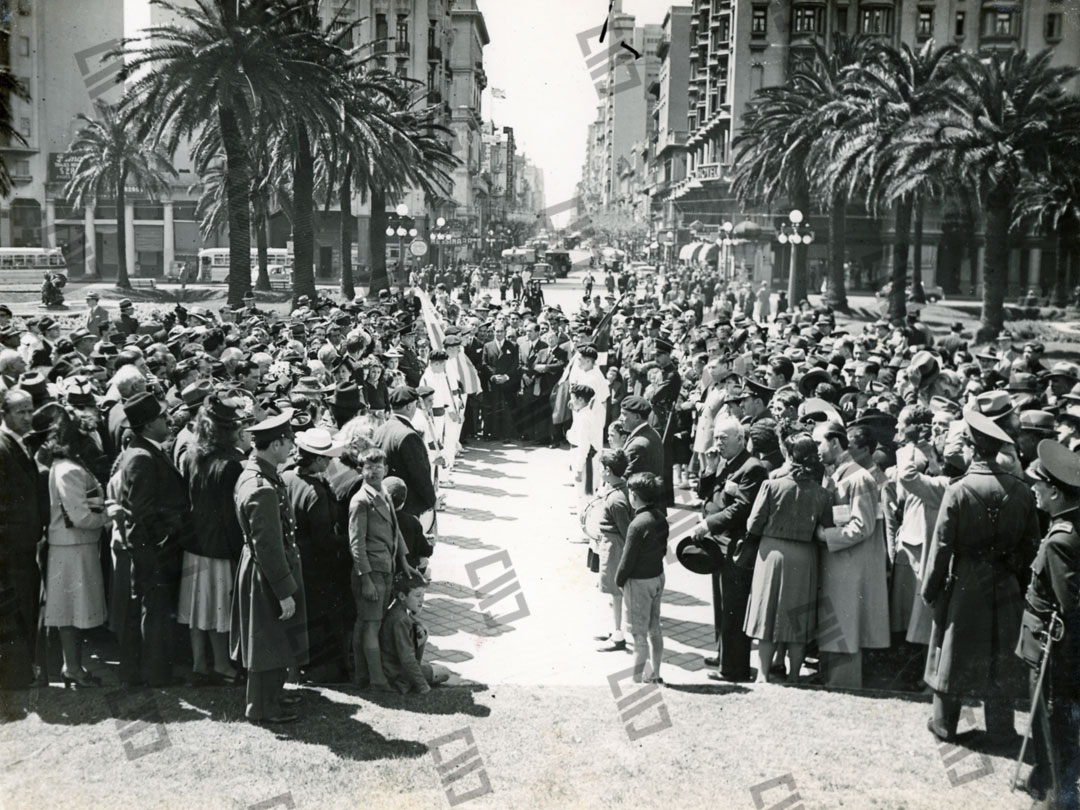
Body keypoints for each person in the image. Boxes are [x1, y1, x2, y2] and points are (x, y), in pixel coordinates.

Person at [922, 411, 1041, 743]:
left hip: (964, 579)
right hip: (1005, 581)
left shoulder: (958, 489)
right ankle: (1001, 729)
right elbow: (1032, 544)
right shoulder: (1021, 490)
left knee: (953, 649)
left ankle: (944, 725)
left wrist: (931, 589)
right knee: (1000, 653)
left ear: (971, 448)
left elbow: (942, 546)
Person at [230, 410, 308, 725]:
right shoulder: (261, 485)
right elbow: (269, 546)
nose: (292, 446)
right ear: (276, 444)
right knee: (267, 641)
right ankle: (261, 707)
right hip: (267, 571)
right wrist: (284, 590)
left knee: (274, 637)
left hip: (263, 567)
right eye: (289, 440)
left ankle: (272, 697)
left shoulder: (257, 473)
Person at [111, 391, 190, 687]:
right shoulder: (142, 455)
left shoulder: (144, 449)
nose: (167, 421)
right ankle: (155, 674)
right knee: (153, 610)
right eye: (160, 417)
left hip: (150, 548)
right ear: (146, 425)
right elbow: (140, 512)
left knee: (150, 608)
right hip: (151, 550)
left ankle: (146, 671)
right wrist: (162, 537)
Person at [743, 432, 833, 683]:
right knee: (798, 620)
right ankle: (794, 675)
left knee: (767, 615)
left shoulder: (771, 486)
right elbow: (825, 527)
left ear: (790, 455)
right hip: (804, 556)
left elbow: (753, 524)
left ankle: (762, 675)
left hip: (772, 553)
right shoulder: (821, 494)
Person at [1019, 439, 1080, 809]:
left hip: (1052, 646)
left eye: (1038, 485)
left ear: (1055, 492)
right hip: (1053, 644)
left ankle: (1059, 798)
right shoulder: (1069, 524)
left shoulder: (1061, 539)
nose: (1034, 490)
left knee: (1052, 722)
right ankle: (1048, 782)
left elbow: (1070, 604)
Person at [813, 419, 891, 688]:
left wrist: (826, 536)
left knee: (846, 626)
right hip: (839, 564)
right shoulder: (838, 474)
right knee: (837, 624)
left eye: (819, 443)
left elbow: (862, 525)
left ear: (835, 442)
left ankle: (842, 682)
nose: (817, 450)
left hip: (850, 566)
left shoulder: (859, 477)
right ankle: (831, 678)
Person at [42, 406, 114, 688]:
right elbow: (80, 516)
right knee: (71, 611)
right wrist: (110, 516)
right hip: (72, 548)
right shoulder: (69, 470)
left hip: (76, 546)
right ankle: (73, 666)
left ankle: (73, 665)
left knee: (71, 611)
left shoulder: (69, 467)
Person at [179, 394, 249, 686]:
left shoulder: (191, 455)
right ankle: (221, 665)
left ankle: (199, 664)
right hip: (220, 547)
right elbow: (231, 517)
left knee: (198, 608)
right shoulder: (231, 464)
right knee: (218, 608)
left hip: (195, 543)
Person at [694, 417, 768, 682]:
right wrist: (710, 469)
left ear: (740, 438)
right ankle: (722, 652)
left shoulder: (752, 468)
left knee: (733, 608)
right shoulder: (724, 463)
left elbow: (742, 508)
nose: (718, 443)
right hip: (718, 544)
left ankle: (734, 668)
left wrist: (708, 524)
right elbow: (705, 493)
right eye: (716, 438)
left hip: (735, 547)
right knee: (721, 604)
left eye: (724, 438)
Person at [283, 427, 351, 684]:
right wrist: (351, 541)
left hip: (295, 559)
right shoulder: (316, 494)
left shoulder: (288, 477)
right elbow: (324, 541)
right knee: (320, 620)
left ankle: (294, 669)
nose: (332, 461)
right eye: (328, 457)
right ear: (318, 459)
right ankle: (318, 671)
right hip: (317, 566)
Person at [348, 446, 413, 691]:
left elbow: (395, 530)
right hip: (371, 572)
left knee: (367, 623)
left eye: (378, 467)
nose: (374, 472)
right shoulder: (360, 501)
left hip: (385, 568)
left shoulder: (383, 492)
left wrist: (403, 560)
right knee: (370, 625)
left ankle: (363, 676)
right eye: (369, 467)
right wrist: (366, 580)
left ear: (386, 469)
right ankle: (376, 679)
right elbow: (356, 544)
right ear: (360, 470)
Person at [0, 389, 46, 689]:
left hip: (23, 545)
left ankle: (23, 672)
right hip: (11, 548)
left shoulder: (20, 443)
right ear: (5, 414)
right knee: (16, 609)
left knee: (25, 606)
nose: (28, 417)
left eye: (30, 411)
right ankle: (16, 677)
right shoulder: (3, 448)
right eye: (21, 412)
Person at [616, 472, 668, 684]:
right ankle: (655, 673)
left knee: (639, 636)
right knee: (654, 628)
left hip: (638, 583)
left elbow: (627, 560)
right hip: (657, 577)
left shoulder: (637, 524)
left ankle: (636, 680)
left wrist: (619, 581)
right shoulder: (660, 517)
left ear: (635, 496)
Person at [378, 571, 450, 694]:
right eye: (417, 595)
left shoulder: (399, 611)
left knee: (422, 630)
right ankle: (406, 682)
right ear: (402, 596)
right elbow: (407, 657)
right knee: (444, 672)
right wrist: (423, 686)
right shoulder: (401, 620)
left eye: (423, 595)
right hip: (397, 673)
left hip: (394, 668)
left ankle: (412, 676)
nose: (422, 600)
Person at [373, 386, 436, 520]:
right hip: (405, 505)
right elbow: (420, 474)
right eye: (415, 404)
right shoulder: (408, 435)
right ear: (408, 407)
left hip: (382, 500)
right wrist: (432, 501)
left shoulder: (380, 429)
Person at [594, 449, 633, 652]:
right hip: (611, 543)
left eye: (601, 468)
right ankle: (615, 629)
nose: (599, 471)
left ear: (608, 470)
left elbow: (627, 532)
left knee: (616, 592)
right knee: (613, 592)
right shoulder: (617, 488)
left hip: (615, 546)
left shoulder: (616, 499)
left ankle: (618, 635)